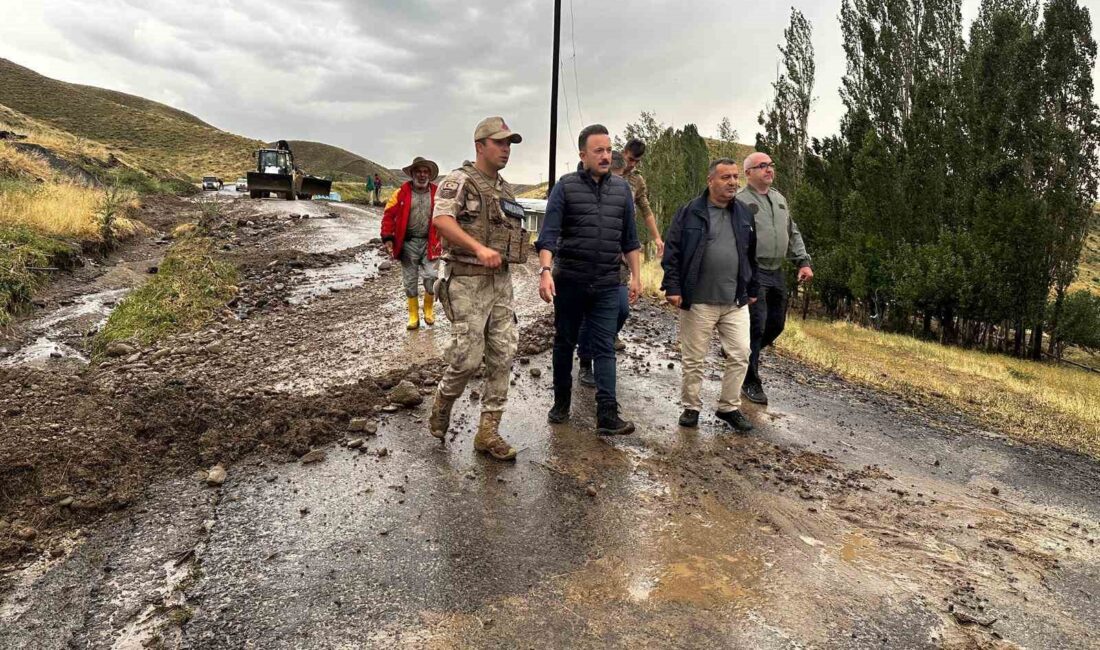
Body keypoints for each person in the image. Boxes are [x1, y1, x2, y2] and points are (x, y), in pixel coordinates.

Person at [428, 116, 527, 461]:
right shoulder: (459, 181)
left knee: (503, 354)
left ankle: (488, 433)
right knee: (468, 358)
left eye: (509, 144)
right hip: (466, 281)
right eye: (499, 143)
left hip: (500, 282)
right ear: (480, 146)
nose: (505, 149)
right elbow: (441, 221)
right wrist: (478, 248)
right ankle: (443, 400)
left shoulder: (506, 190)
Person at [536, 124, 642, 436]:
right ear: (583, 155)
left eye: (609, 150)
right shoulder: (565, 187)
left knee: (605, 347)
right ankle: (561, 402)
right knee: (564, 342)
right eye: (599, 151)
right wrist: (545, 272)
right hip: (570, 281)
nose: (606, 156)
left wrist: (635, 276)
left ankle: (607, 414)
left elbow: (631, 240)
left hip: (608, 283)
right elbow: (548, 236)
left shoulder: (622, 190)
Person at [661, 158, 758, 432]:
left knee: (741, 354)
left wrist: (752, 288)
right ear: (710, 181)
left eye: (735, 177)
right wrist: (673, 286)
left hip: (734, 300)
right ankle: (691, 407)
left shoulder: (744, 214)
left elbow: (752, 255)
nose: (732, 183)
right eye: (725, 177)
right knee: (694, 358)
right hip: (698, 300)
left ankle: (729, 407)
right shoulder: (690, 211)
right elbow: (673, 251)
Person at [737, 152, 813, 405]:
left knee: (776, 324)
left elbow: (792, 231)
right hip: (753, 270)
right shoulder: (739, 201)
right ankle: (750, 381)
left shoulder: (779, 199)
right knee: (756, 326)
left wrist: (802, 261)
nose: (769, 169)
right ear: (748, 173)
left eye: (770, 165)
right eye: (762, 166)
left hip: (777, 270)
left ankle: (742, 352)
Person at [576, 151, 630, 387]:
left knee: (622, 309)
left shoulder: (622, 191)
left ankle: (603, 340)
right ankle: (586, 362)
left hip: (616, 269)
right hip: (585, 270)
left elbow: (629, 232)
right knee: (588, 317)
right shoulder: (578, 190)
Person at [381, 156, 441, 330]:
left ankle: (428, 309)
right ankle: (413, 316)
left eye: (425, 172)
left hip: (431, 242)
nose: (422, 175)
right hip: (408, 243)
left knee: (431, 276)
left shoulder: (437, 193)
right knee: (410, 280)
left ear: (429, 175)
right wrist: (388, 238)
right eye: (419, 172)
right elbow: (388, 215)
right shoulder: (401, 192)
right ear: (412, 174)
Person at [622, 138, 664, 257]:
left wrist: (657, 238)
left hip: (625, 238)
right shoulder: (605, 170)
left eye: (637, 161)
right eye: (630, 159)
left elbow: (646, 210)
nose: (632, 164)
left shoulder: (637, 180)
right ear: (623, 152)